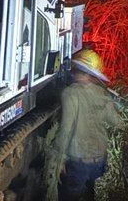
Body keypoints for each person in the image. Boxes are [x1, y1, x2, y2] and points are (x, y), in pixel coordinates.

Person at [53, 49, 122, 201]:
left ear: (78, 70)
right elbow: (117, 122)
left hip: (79, 162)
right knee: (91, 195)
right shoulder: (102, 93)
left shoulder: (70, 94)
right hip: (100, 161)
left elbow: (66, 128)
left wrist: (59, 159)